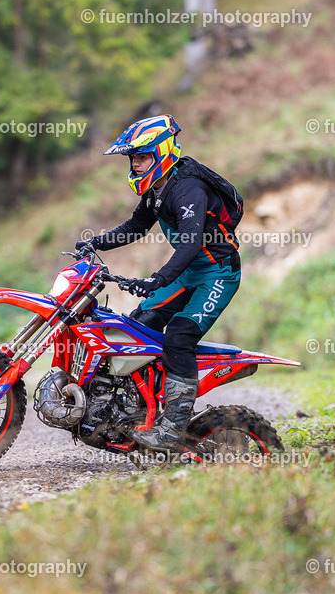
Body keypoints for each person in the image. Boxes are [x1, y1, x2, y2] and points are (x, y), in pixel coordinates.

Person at [76, 114, 242, 452]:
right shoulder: (156, 189)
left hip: (218, 273)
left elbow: (191, 244)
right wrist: (96, 243)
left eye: (142, 157)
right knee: (137, 328)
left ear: (162, 153)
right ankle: (135, 412)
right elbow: (136, 226)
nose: (136, 165)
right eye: (133, 159)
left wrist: (157, 279)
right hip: (188, 271)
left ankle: (172, 429)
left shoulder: (188, 189)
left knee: (179, 338)